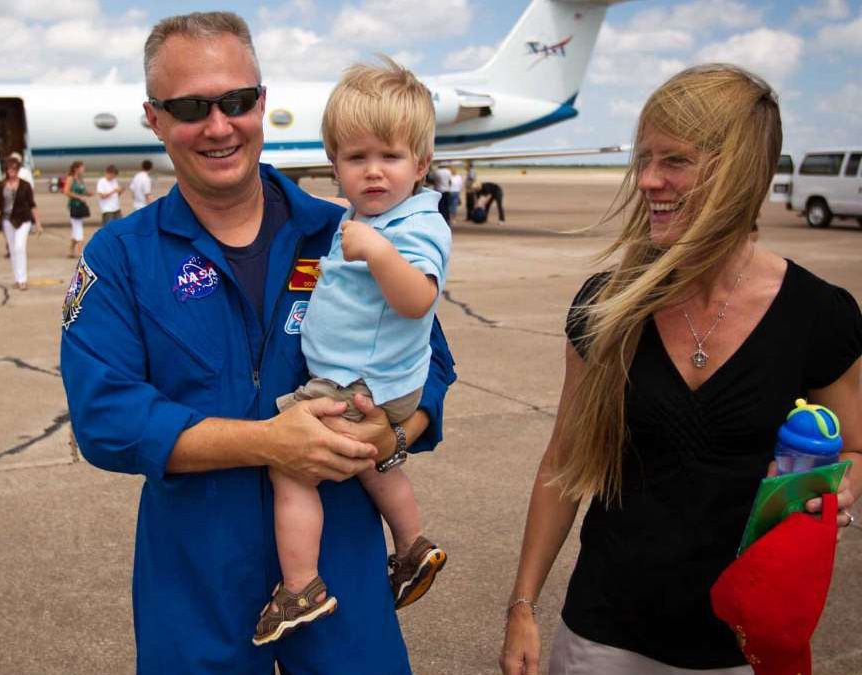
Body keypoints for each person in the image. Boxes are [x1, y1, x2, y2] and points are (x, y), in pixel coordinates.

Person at [59, 12, 456, 675]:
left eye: (237, 101)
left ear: (262, 105)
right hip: (195, 588)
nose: (219, 126)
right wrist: (269, 442)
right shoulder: (123, 256)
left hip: (342, 581)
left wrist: (398, 434)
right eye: (190, 107)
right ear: (154, 119)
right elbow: (105, 419)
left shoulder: (343, 234)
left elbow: (432, 360)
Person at [499, 64, 861, 675]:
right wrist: (522, 606)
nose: (646, 181)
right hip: (603, 635)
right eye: (643, 160)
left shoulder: (818, 314)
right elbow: (563, 463)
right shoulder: (605, 304)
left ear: (740, 169)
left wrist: (844, 486)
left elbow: (855, 447)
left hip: (744, 642)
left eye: (675, 161)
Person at [252, 58, 452, 647]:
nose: (372, 173)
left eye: (389, 158)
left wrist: (377, 253)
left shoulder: (409, 226)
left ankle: (301, 586)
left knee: (289, 465)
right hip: (376, 384)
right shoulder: (370, 216)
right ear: (334, 163)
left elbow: (419, 300)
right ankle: (412, 545)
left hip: (356, 381)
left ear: (420, 163)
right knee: (372, 460)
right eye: (355, 158)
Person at [0, 153, 42, 291]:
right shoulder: (2, 185)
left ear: (18, 170)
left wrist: (38, 223)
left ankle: (23, 280)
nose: (12, 172)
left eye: (14, 169)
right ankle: (17, 278)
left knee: (19, 247)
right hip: (7, 220)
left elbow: (32, 204)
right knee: (12, 249)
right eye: (9, 169)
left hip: (24, 220)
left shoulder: (25, 185)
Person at [62, 161, 90, 258]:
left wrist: (88, 193)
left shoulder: (81, 180)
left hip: (81, 207)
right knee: (78, 228)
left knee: (76, 228)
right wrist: (79, 197)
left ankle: (71, 251)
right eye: (82, 168)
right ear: (76, 169)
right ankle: (81, 252)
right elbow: (66, 191)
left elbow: (83, 190)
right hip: (74, 206)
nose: (84, 170)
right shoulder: (71, 178)